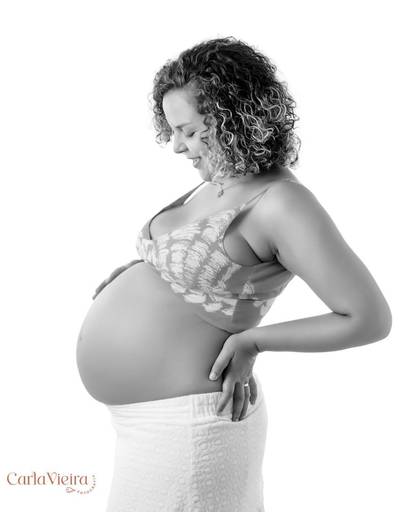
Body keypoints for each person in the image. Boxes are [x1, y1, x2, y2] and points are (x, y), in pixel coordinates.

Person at [76, 36, 392, 511]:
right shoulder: (219, 182)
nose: (176, 146)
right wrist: (148, 271)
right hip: (145, 425)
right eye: (171, 131)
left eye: (188, 131)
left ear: (232, 118)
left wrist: (253, 342)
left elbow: (368, 318)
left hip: (192, 428)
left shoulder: (283, 203)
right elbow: (213, 267)